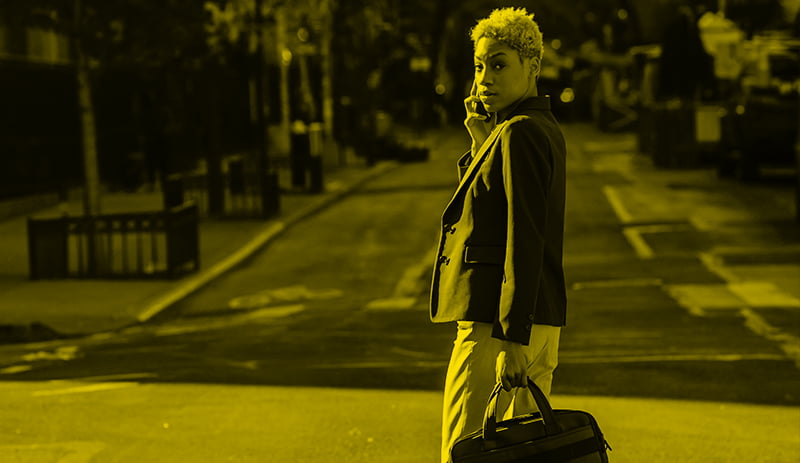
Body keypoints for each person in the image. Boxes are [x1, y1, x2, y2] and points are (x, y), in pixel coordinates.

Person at [429, 7, 567, 463]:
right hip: (530, 321)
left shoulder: (521, 132)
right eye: (479, 65)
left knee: (463, 455)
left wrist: (511, 341)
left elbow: (523, 238)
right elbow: (500, 208)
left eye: (500, 63)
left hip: (498, 324)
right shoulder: (531, 128)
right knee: (521, 456)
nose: (485, 78)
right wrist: (480, 142)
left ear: (533, 66)